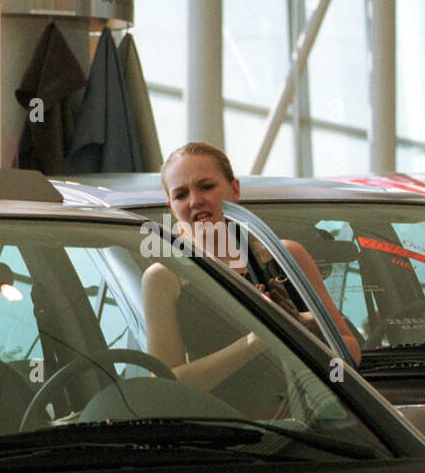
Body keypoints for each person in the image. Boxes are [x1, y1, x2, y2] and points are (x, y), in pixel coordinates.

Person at [144, 142, 361, 397]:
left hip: (312, 426)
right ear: (171, 206)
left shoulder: (287, 256)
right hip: (223, 428)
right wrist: (258, 338)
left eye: (206, 187)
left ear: (234, 189)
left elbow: (350, 355)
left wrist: (301, 324)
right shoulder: (164, 277)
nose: (195, 201)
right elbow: (168, 385)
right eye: (181, 195)